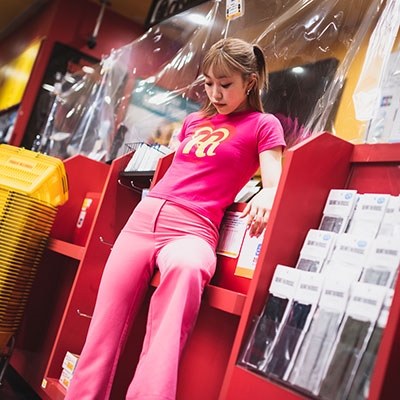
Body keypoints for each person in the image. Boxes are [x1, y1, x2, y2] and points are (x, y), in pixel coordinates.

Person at [65, 37, 286, 400]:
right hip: (143, 219)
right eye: (209, 83)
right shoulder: (193, 122)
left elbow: (275, 182)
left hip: (193, 228)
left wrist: (268, 192)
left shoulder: (263, 124)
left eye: (225, 84)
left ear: (250, 82)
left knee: (187, 276)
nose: (215, 93)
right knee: (104, 325)